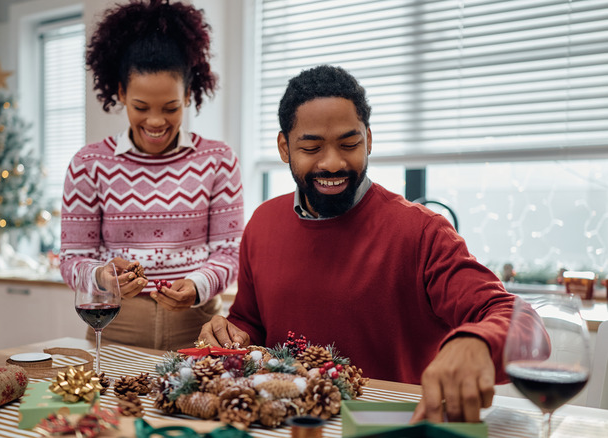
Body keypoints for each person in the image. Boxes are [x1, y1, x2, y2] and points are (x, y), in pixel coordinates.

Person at [199, 65, 516, 423]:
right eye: (311, 147)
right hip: (284, 425)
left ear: (368, 139)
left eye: (349, 144)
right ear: (285, 147)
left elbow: (515, 319)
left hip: (389, 427)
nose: (333, 162)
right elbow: (249, 322)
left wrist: (477, 342)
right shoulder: (262, 223)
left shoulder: (422, 232)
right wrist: (229, 331)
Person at [60, 0, 243, 351]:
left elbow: (229, 254)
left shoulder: (218, 160)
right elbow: (72, 259)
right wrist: (103, 277)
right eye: (141, 107)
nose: (156, 121)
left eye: (170, 107)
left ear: (189, 95)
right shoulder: (88, 163)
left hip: (199, 331)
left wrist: (197, 285)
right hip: (113, 334)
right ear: (121, 93)